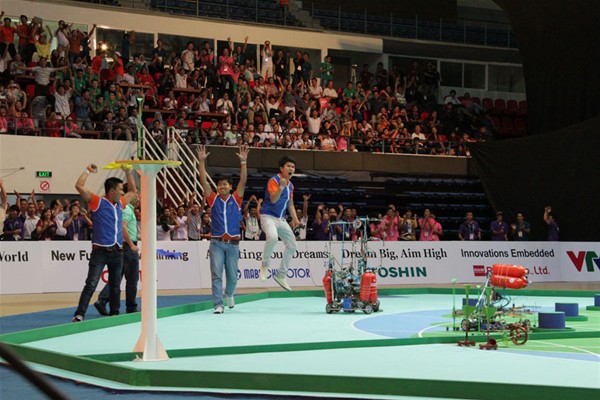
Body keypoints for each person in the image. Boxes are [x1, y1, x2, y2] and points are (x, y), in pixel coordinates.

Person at [72, 163, 137, 322]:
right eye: (120, 189)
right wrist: (87, 170)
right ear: (112, 191)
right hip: (100, 252)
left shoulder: (120, 203)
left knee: (115, 286)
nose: (123, 192)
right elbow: (79, 186)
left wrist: (128, 172)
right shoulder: (97, 202)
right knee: (91, 284)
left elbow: (133, 192)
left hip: (117, 251)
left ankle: (114, 313)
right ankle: (80, 314)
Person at [197, 144, 249, 314]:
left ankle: (230, 293)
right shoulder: (213, 199)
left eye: (225, 185)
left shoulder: (236, 199)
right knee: (216, 274)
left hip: (233, 244)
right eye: (219, 185)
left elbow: (243, 181)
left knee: (232, 276)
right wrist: (201, 161)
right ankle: (218, 304)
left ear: (230, 187)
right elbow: (203, 181)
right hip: (216, 243)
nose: (222, 187)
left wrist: (243, 162)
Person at [95, 183, 140, 315]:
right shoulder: (126, 210)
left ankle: (103, 300)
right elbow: (123, 227)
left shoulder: (123, 208)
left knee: (117, 277)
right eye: (135, 194)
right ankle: (131, 306)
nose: (137, 197)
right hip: (127, 246)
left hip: (123, 245)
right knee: (132, 278)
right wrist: (131, 245)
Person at [259, 156, 300, 291]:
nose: (291, 169)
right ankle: (265, 265)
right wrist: (281, 187)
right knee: (273, 237)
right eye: (288, 166)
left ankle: (281, 275)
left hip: (281, 219)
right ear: (281, 168)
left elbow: (290, 204)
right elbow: (273, 199)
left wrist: (296, 220)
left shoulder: (291, 186)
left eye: (293, 167)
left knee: (292, 245)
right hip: (268, 217)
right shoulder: (274, 180)